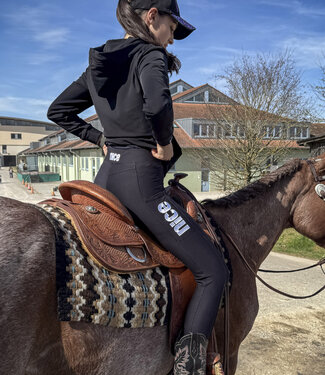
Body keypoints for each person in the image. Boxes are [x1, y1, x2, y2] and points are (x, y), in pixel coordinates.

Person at [47, 1, 229, 373]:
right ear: (151, 16)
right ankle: (189, 364)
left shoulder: (100, 63)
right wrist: (163, 143)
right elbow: (158, 103)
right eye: (172, 27)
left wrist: (98, 138)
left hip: (104, 180)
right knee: (213, 269)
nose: (172, 39)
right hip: (140, 182)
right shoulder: (151, 55)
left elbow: (58, 111)